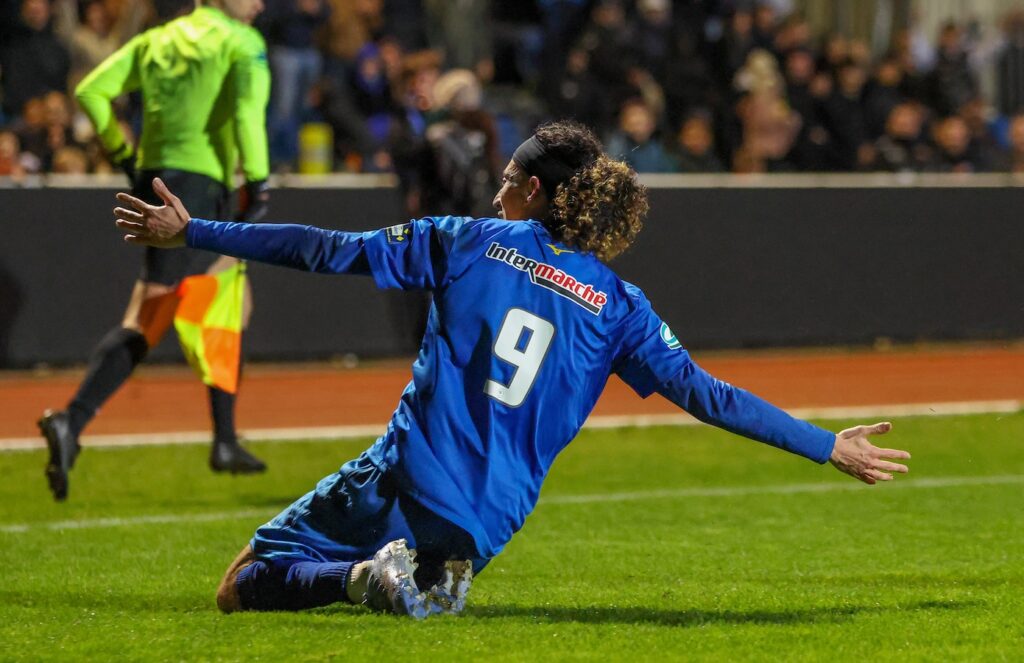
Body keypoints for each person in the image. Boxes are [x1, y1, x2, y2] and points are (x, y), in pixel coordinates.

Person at [113, 121, 912, 618]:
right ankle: (412, 579)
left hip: (401, 481)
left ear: (533, 189)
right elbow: (709, 394)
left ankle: (360, 576)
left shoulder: (465, 239)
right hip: (484, 528)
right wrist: (824, 445)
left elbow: (327, 250)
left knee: (240, 582)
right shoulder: (621, 305)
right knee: (421, 566)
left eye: (505, 182)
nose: (495, 194)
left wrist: (196, 230)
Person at [39, 0, 272, 502]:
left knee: (231, 296)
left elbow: (90, 91)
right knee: (150, 310)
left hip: (156, 176)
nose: (260, 3)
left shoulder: (157, 40)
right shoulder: (241, 42)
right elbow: (249, 114)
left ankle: (226, 440)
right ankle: (70, 421)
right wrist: (259, 180)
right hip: (203, 184)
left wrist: (123, 155)